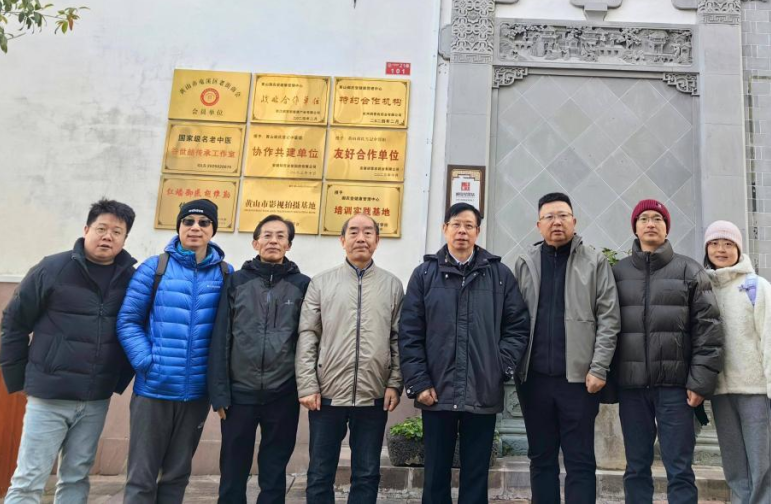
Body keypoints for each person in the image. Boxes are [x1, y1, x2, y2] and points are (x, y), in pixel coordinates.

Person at [0, 198, 138, 504]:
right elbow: (14, 321)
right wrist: (18, 378)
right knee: (29, 480)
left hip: (94, 399)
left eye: (117, 232)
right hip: (49, 397)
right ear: (86, 229)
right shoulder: (52, 269)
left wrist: (115, 381)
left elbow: (136, 329)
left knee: (76, 477)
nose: (108, 237)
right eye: (101, 228)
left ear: (125, 239)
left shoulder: (130, 279)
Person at [399, 202, 530, 504]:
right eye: (456, 224)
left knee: (476, 473)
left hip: (482, 389)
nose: (462, 231)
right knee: (435, 473)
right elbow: (409, 333)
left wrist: (499, 367)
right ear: (444, 229)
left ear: (477, 232)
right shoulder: (424, 275)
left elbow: (517, 327)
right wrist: (419, 382)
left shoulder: (499, 275)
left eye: (469, 226)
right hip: (436, 391)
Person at [117, 199, 230, 504]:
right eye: (188, 222)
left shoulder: (224, 273)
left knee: (177, 475)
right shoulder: (155, 268)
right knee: (141, 476)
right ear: (179, 227)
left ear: (213, 230)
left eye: (204, 223)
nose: (195, 228)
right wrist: (147, 362)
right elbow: (128, 320)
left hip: (196, 393)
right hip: (154, 388)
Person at [612, 199, 723, 504]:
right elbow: (606, 327)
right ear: (635, 227)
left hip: (676, 388)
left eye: (658, 219)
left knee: (680, 468)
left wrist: (700, 382)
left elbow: (708, 330)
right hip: (632, 388)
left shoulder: (689, 270)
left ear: (666, 227)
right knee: (636, 467)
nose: (651, 223)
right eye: (644, 218)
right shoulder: (618, 273)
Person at [514, 192, 620, 504]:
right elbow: (512, 319)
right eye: (549, 217)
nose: (556, 222)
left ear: (574, 221)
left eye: (562, 216)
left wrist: (599, 368)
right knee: (541, 459)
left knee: (580, 459)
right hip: (534, 380)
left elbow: (609, 317)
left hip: (579, 380)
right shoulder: (525, 264)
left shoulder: (594, 262)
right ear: (538, 225)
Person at [297, 213, 404, 504]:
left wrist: (394, 383)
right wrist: (307, 385)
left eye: (368, 232)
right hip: (326, 395)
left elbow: (398, 338)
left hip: (373, 394)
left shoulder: (392, 285)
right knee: (320, 472)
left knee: (367, 473)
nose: (361, 238)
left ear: (377, 241)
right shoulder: (321, 283)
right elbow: (308, 335)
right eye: (354, 232)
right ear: (342, 240)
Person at [208, 215, 310, 504]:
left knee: (274, 469)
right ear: (255, 243)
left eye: (280, 236)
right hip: (239, 393)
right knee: (232, 466)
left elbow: (307, 340)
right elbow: (221, 337)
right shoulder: (236, 282)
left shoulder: (302, 285)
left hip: (283, 392)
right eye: (267, 235)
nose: (273, 241)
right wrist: (219, 393)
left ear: (289, 245)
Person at [703, 220, 771, 504]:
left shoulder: (756, 287)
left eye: (728, 244)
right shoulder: (704, 289)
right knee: (735, 467)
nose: (721, 249)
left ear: (738, 249)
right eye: (714, 243)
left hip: (756, 391)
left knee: (763, 465)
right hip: (721, 392)